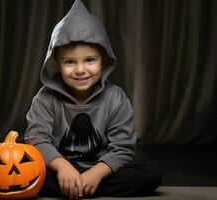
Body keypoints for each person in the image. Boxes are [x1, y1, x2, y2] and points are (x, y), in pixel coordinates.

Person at [24, 0, 161, 199]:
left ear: (103, 61)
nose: (80, 70)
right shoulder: (45, 98)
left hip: (102, 171)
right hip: (58, 170)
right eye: (70, 62)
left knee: (150, 173)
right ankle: (73, 185)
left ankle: (81, 186)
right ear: (56, 64)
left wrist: (97, 173)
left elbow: (123, 147)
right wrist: (63, 168)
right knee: (27, 169)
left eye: (90, 60)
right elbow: (37, 139)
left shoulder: (116, 98)